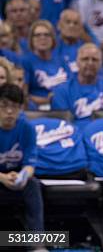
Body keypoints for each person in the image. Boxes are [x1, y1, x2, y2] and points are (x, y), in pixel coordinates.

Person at [0, 83, 46, 249]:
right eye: (4, 106)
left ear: (21, 108)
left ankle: (37, 245)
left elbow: (30, 164)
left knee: (33, 185)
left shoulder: (27, 128)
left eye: (14, 107)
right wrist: (3, 177)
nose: (10, 112)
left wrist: (22, 177)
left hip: (17, 176)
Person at [51, 43, 103, 128]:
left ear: (100, 64)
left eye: (95, 60)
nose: (90, 63)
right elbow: (63, 125)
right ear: (77, 62)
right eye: (85, 59)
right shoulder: (61, 91)